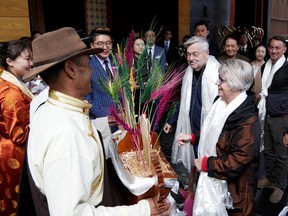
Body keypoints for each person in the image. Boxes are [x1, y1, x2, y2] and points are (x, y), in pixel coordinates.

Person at [17, 27, 172, 216]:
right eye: (88, 64)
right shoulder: (65, 134)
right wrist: (144, 209)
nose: (92, 71)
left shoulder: (51, 107)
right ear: (71, 69)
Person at [177, 59, 260, 216]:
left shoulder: (247, 119)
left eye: (222, 79)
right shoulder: (220, 102)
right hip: (214, 177)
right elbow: (215, 133)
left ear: (235, 85)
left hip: (234, 190)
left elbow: (239, 160)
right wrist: (193, 137)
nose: (217, 82)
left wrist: (208, 164)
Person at [169, 36, 220, 174]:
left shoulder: (217, 74)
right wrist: (172, 120)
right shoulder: (188, 73)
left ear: (206, 53)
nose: (190, 58)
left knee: (208, 168)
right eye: (188, 54)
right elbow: (183, 100)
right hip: (191, 130)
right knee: (196, 166)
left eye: (195, 54)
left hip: (209, 131)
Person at [0, 40, 33, 215]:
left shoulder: (7, 82)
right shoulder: (11, 91)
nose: (31, 64)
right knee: (17, 202)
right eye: (27, 59)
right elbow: (19, 135)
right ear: (10, 61)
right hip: (14, 153)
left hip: (6, 148)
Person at [257, 35, 288, 204]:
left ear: (284, 50)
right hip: (267, 115)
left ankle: (281, 186)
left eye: (278, 48)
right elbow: (265, 90)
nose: (274, 51)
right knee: (268, 151)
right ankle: (270, 178)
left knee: (282, 154)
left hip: (282, 117)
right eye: (271, 47)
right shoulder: (265, 67)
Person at [85, 28, 119, 132]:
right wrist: (108, 115)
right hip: (101, 121)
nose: (105, 47)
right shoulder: (87, 66)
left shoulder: (118, 61)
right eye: (100, 43)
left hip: (122, 120)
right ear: (92, 45)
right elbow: (87, 98)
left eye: (108, 43)